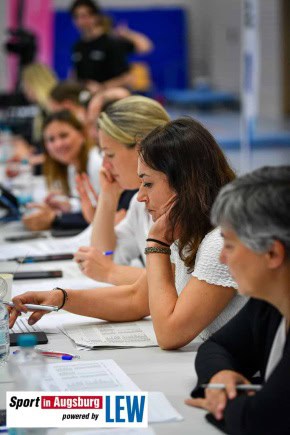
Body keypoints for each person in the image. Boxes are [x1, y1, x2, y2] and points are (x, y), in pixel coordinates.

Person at [9, 118, 246, 351]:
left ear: (185, 184)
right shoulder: (188, 231)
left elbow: (170, 334)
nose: (141, 196)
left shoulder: (220, 243)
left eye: (148, 183)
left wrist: (156, 244)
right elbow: (136, 299)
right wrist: (60, 298)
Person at [186, 166, 290, 435]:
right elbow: (217, 347)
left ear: (272, 253)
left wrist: (222, 402)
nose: (223, 258)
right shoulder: (270, 301)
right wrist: (220, 378)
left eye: (229, 246)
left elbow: (259, 421)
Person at [75, 96, 170, 283]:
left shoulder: (185, 202)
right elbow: (105, 255)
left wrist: (110, 271)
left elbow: (178, 283)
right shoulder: (139, 203)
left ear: (142, 147)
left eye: (109, 154)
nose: (105, 165)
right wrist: (108, 197)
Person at [22, 110, 102, 231]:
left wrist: (56, 218)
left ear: (82, 134)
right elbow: (90, 205)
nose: (58, 144)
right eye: (51, 139)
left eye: (64, 136)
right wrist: (69, 206)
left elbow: (101, 216)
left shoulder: (97, 163)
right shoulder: (72, 167)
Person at [69, 0, 133, 93]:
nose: (80, 21)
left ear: (95, 17)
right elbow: (76, 75)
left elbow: (127, 78)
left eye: (84, 16)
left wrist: (101, 87)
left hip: (109, 97)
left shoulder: (111, 43)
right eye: (76, 17)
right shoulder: (77, 46)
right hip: (85, 97)